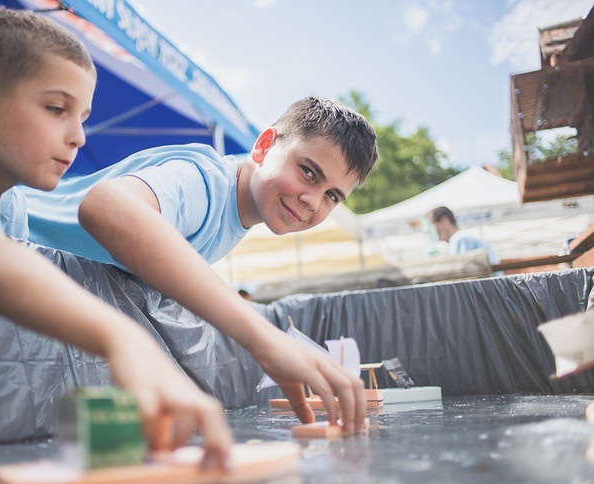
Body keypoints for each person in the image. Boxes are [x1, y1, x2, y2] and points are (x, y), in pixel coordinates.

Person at [0, 8, 232, 470]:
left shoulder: (11, 205)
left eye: (83, 116)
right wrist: (123, 338)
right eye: (57, 109)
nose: (77, 136)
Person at [21, 96, 379, 434]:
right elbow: (107, 206)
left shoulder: (236, 216)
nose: (312, 200)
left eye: (332, 195)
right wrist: (264, 338)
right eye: (308, 172)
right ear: (264, 145)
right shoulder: (205, 181)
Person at [427, 206, 500, 265]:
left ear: (444, 221)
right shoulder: (461, 237)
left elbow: (462, 269)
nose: (430, 229)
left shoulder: (460, 239)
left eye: (432, 224)